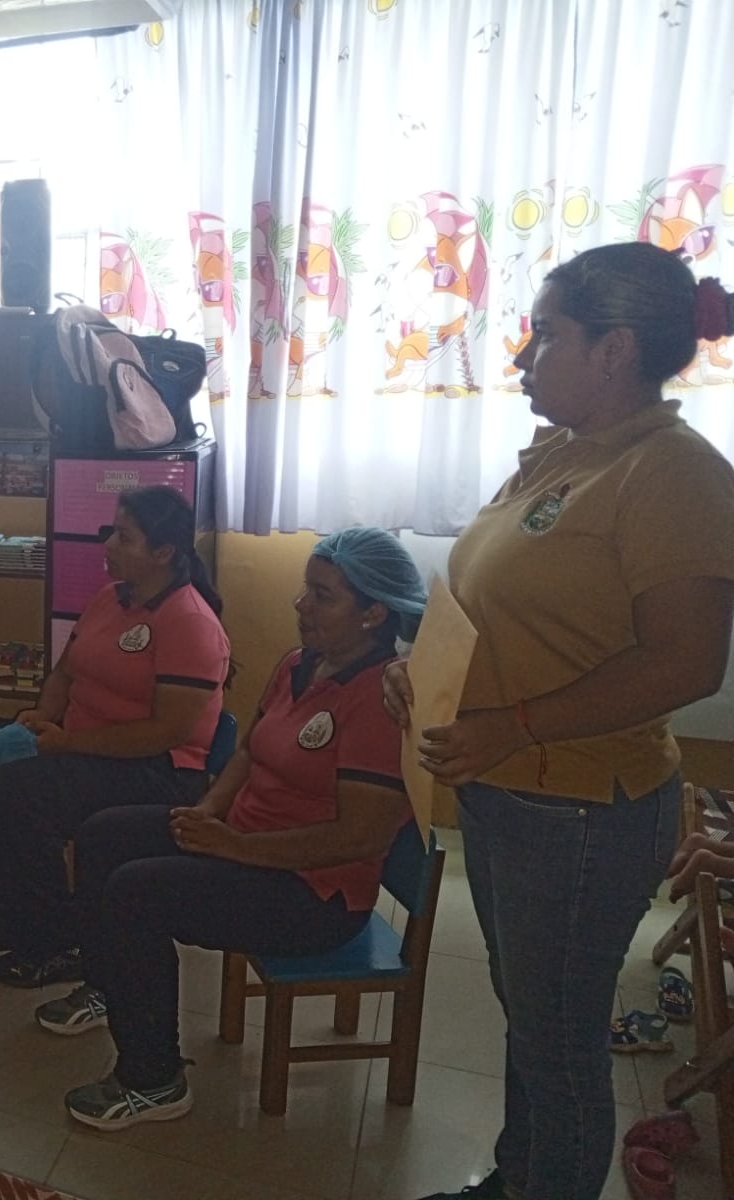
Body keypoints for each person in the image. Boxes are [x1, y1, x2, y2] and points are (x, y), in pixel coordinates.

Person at [384, 245, 734, 1200]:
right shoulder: (570, 455)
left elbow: (685, 663)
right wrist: (421, 675)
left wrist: (514, 725)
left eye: (545, 335)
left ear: (614, 349)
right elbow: (503, 611)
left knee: (561, 1043)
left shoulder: (674, 474)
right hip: (511, 789)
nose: (522, 356)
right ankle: (518, 1179)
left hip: (579, 809)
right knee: (533, 1021)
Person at [36, 528, 426, 1130]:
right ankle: (110, 985)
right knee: (102, 836)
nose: (301, 605)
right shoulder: (299, 665)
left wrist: (236, 847)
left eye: (323, 596)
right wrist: (210, 810)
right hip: (241, 843)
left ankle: (153, 1080)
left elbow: (360, 838)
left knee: (135, 893)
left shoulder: (380, 701)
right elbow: (247, 750)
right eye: (306, 589)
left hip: (312, 894)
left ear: (374, 614)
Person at [0, 485, 232, 988]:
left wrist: (66, 744)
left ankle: (52, 943)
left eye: (125, 537)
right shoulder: (111, 598)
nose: (108, 545)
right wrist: (41, 716)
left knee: (22, 791)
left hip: (155, 769)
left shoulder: (190, 622)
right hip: (80, 740)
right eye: (111, 531)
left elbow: (164, 733)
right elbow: (65, 672)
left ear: (163, 553)